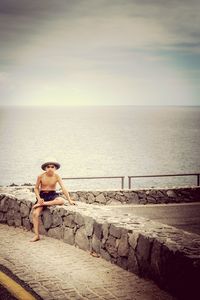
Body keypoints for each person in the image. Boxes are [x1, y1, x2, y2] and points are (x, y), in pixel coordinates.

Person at [30, 158, 76, 242]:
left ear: (55, 168)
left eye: (52, 166)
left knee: (61, 201)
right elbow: (36, 188)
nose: (50, 168)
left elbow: (63, 188)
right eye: (48, 167)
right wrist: (39, 199)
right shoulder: (40, 176)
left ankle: (43, 204)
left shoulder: (57, 176)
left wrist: (69, 200)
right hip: (42, 196)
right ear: (45, 168)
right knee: (35, 213)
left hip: (52, 194)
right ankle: (36, 235)